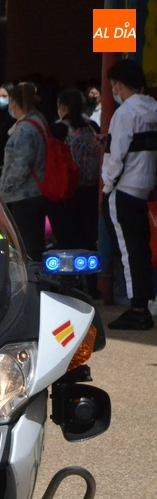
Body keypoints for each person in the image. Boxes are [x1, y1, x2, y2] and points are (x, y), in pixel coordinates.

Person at [100, 59, 157, 330]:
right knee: (141, 250)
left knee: (128, 252)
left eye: (114, 86)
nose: (114, 91)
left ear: (120, 85)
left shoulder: (124, 114)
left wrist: (106, 186)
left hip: (123, 189)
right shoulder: (153, 108)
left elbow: (116, 155)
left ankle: (137, 310)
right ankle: (143, 304)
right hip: (145, 187)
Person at [0, 81, 47, 261]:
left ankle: (30, 276)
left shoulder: (25, 128)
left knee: (26, 246)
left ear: (15, 103)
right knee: (35, 243)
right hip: (37, 192)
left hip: (24, 196)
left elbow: (19, 167)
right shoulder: (39, 120)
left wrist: (2, 191)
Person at [45, 87, 101, 252]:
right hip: (91, 189)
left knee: (67, 242)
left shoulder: (57, 129)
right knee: (87, 240)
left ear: (62, 107)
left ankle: (69, 269)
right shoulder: (92, 126)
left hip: (67, 191)